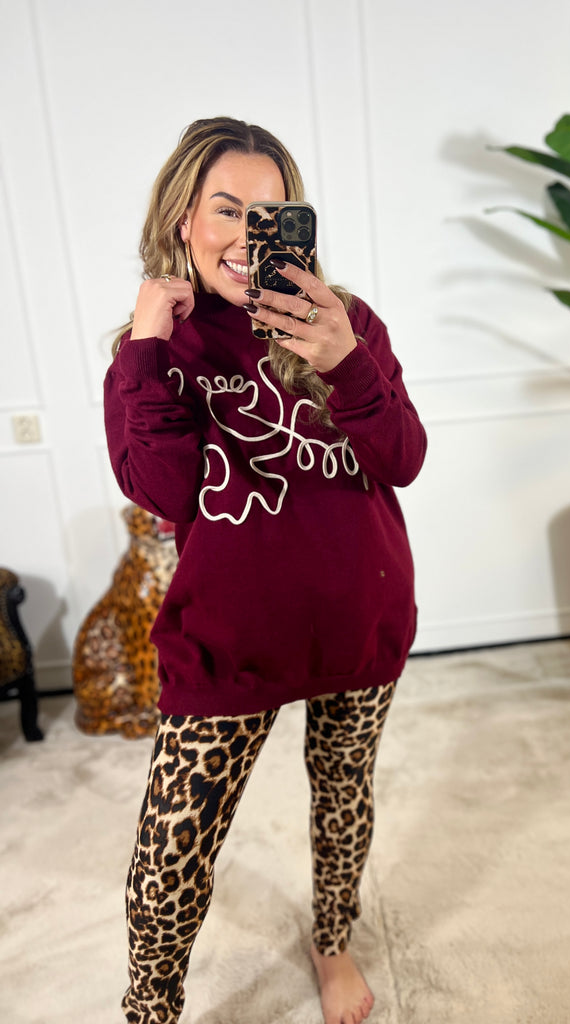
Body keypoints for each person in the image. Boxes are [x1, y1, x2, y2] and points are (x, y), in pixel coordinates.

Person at [103, 116, 427, 1024]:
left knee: (343, 794)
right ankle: (151, 1006)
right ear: (183, 219)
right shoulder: (157, 348)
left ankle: (333, 942)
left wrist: (346, 363)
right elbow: (165, 490)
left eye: (272, 212)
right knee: (172, 851)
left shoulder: (346, 323)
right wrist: (146, 346)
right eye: (227, 209)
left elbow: (403, 459)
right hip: (228, 641)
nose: (249, 234)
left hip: (359, 618)